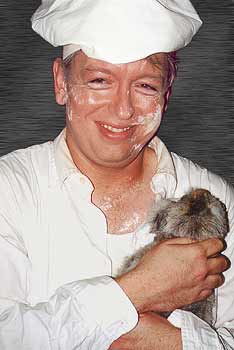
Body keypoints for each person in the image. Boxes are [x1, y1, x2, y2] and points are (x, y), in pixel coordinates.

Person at [0, 0, 233, 349]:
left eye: (145, 86)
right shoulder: (10, 190)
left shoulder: (213, 195)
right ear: (61, 84)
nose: (123, 109)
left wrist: (170, 342)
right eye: (99, 80)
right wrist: (139, 289)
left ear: (166, 94)